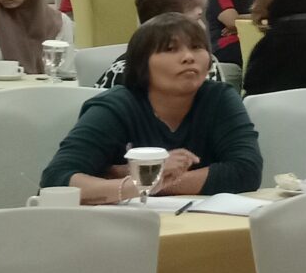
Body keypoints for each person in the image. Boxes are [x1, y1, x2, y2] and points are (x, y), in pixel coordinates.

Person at [40, 13, 263, 203]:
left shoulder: (219, 98)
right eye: (170, 49)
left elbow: (246, 171)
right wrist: (138, 184)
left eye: (196, 47)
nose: (188, 57)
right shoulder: (116, 107)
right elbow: (56, 181)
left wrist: (143, 179)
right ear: (142, 64)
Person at [93, 0, 226, 88]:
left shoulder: (207, 64)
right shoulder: (125, 70)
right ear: (166, 23)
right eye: (197, 19)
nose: (202, 27)